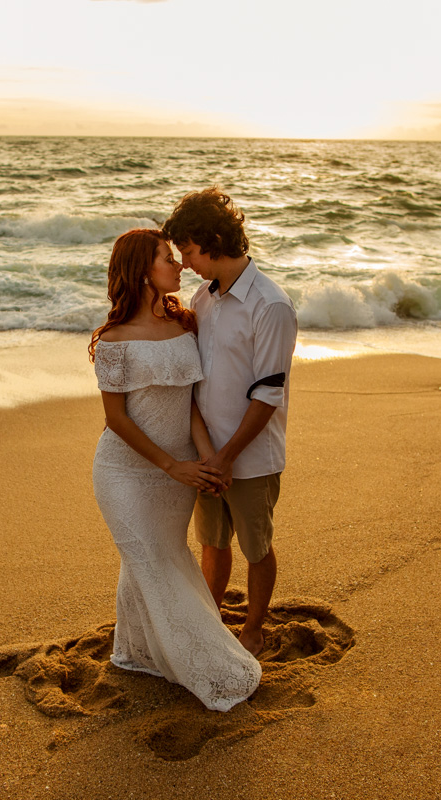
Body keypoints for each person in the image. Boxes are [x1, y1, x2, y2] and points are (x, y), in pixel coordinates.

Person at [89, 228, 261, 712]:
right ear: (144, 270)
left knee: (152, 557)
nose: (179, 265)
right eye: (168, 258)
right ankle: (211, 664)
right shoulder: (114, 341)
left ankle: (137, 651)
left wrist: (206, 460)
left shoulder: (186, 324)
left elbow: (188, 404)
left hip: (181, 471)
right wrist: (173, 466)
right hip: (126, 473)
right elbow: (116, 420)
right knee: (153, 560)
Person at [162, 188, 298, 657]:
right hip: (205, 454)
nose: (186, 262)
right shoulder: (203, 297)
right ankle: (209, 617)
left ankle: (255, 628)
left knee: (256, 546)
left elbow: (267, 394)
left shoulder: (271, 305)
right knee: (213, 543)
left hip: (252, 457)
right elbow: (197, 382)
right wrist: (205, 454)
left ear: (214, 240)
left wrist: (227, 456)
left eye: (190, 250)